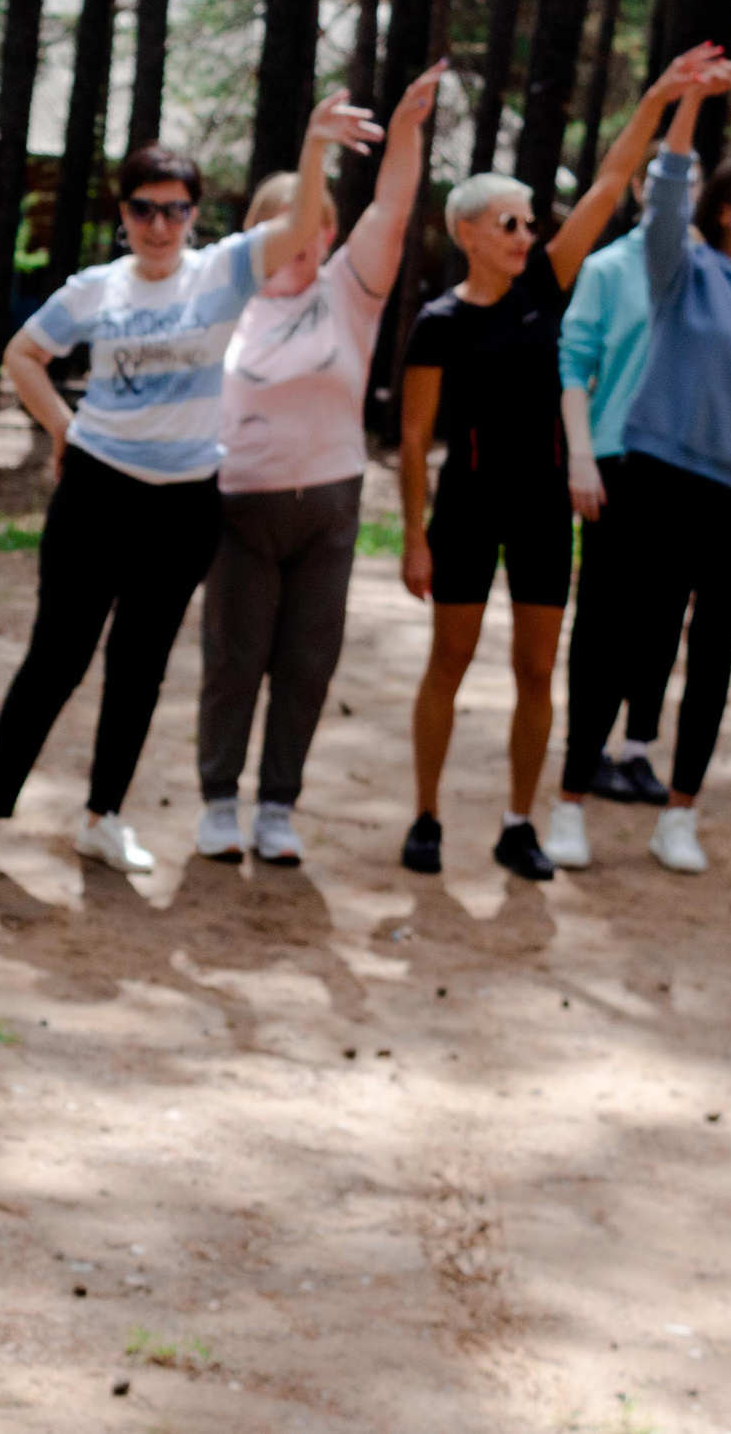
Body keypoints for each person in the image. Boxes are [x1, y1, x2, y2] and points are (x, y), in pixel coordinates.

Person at [0, 122, 382, 885]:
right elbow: (22, 353)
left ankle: (102, 818)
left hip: (185, 505)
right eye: (144, 209)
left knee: (140, 665)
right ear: (123, 214)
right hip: (98, 492)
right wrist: (65, 429)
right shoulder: (97, 287)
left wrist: (312, 146)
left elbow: (297, 222)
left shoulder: (222, 273)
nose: (159, 225)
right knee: (58, 656)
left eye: (176, 210)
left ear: (195, 216)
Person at [398, 45, 714, 881]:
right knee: (450, 660)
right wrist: (413, 538)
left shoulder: (548, 283)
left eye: (529, 222)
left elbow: (612, 180)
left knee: (538, 668)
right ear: (468, 233)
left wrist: (655, 97)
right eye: (509, 223)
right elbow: (415, 439)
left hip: (541, 505)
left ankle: (517, 821)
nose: (525, 233)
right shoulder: (438, 323)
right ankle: (426, 815)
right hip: (465, 504)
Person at [554, 60, 731, 877]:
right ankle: (569, 801)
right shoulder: (681, 270)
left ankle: (681, 811)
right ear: (723, 210)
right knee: (630, 640)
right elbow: (665, 195)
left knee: (713, 654)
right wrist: (691, 105)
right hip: (660, 480)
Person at [196, 65, 442, 866]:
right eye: (284, 221)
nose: (304, 234)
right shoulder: (225, 299)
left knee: (306, 660)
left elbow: (395, 207)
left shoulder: (348, 290)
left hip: (329, 505)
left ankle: (277, 804)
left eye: (315, 222)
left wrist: (404, 127)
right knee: (236, 659)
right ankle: (218, 800)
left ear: (331, 233)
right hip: (240, 506)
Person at [551, 152, 698, 833]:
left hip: (688, 472)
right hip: (615, 461)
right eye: (676, 181)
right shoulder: (609, 268)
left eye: (699, 184)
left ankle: (636, 748)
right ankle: (582, 762)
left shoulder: (712, 274)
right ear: (645, 189)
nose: (687, 195)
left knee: (665, 616)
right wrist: (581, 456)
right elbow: (573, 361)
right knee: (604, 620)